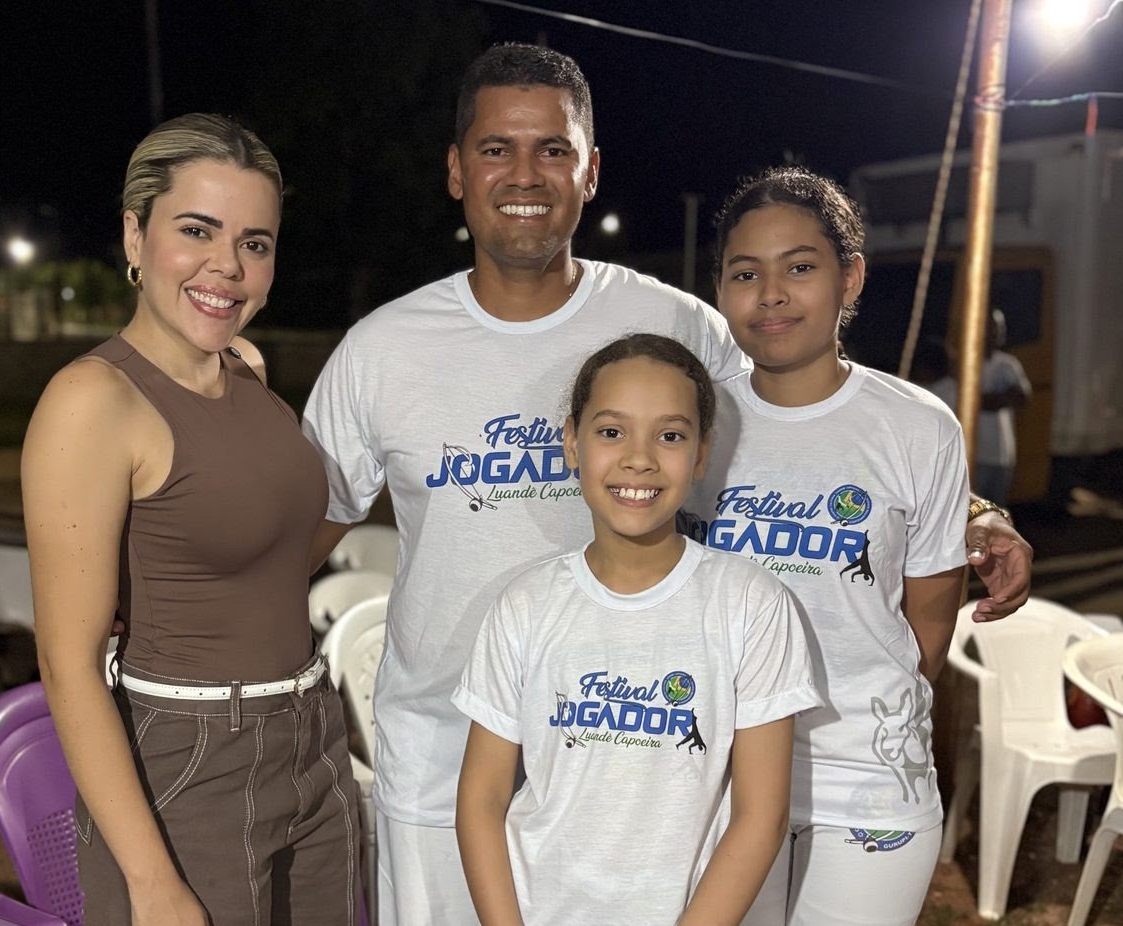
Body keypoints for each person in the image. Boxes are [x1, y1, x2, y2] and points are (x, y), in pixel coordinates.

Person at [301, 43, 1032, 922]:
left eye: (554, 149)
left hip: (648, 777)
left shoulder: (676, 325)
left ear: (591, 170)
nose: (525, 174)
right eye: (497, 148)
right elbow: (298, 529)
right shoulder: (383, 349)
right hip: (443, 764)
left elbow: (810, 427)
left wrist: (971, 513)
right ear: (457, 169)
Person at [22, 114, 360, 926]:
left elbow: (270, 563)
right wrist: (151, 882)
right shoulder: (92, 400)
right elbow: (68, 664)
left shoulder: (247, 375)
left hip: (314, 738)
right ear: (134, 237)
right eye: (197, 231)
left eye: (254, 242)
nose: (228, 266)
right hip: (189, 763)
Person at [454, 334, 821, 925]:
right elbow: (481, 798)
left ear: (701, 454)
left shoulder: (751, 604)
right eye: (611, 431)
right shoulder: (524, 605)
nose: (639, 458)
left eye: (670, 436)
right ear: (572, 443)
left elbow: (761, 816)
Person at [686, 166, 969, 926]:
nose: (771, 295)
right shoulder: (693, 423)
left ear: (851, 278)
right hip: (717, 778)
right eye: (746, 274)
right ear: (721, 291)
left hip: (867, 784)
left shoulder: (920, 428)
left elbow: (930, 622)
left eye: (800, 268)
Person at [924, 310, 1031, 506]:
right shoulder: (964, 363)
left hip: (1003, 454)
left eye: (999, 329)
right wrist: (999, 397)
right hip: (973, 454)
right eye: (991, 328)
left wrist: (986, 399)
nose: (996, 333)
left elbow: (1021, 398)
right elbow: (971, 403)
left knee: (997, 511)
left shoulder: (1007, 364)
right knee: (971, 511)